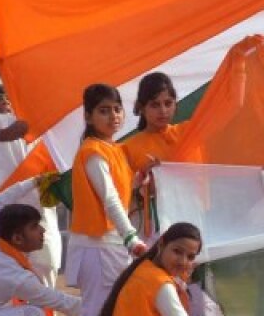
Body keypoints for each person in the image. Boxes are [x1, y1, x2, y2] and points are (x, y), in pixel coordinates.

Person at [0, 61, 60, 285]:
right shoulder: (2, 123)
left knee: (46, 282)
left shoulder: (53, 126)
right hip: (4, 215)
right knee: (2, 285)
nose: (5, 100)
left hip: (42, 216)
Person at [66, 84, 146, 316]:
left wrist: (139, 180)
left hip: (110, 244)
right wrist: (131, 237)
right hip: (98, 245)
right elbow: (109, 198)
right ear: (88, 117)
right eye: (104, 110)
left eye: (117, 109)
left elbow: (120, 191)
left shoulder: (115, 150)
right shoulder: (92, 151)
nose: (114, 116)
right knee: (98, 310)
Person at [0, 175, 81, 315]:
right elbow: (61, 302)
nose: (43, 230)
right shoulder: (14, 275)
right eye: (35, 227)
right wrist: (105, 307)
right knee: (33, 313)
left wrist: (34, 182)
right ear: (17, 238)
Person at [122, 72, 186, 241]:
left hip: (189, 217)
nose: (163, 111)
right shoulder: (128, 148)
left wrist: (239, 67)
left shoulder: (187, 134)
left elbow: (231, 109)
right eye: (155, 105)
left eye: (168, 103)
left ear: (175, 104)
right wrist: (142, 178)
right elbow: (120, 194)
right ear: (142, 108)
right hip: (149, 229)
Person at [99, 222, 201, 316]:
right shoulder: (160, 283)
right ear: (161, 244)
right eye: (177, 251)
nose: (183, 261)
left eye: (190, 257)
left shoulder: (145, 268)